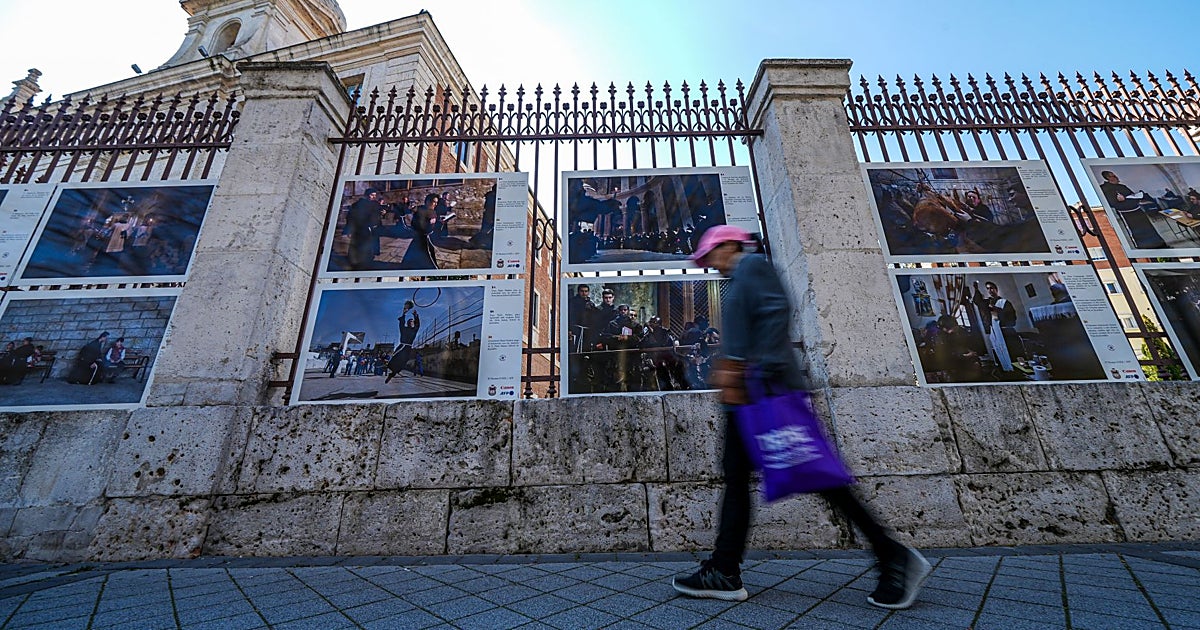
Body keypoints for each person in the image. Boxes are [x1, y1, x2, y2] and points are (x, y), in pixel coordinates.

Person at [671, 225, 929, 609]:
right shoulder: (740, 275)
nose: (709, 264)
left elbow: (776, 313)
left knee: (818, 475)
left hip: (763, 391)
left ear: (728, 245)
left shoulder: (752, 265)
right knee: (741, 475)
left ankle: (893, 556)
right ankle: (725, 569)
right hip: (748, 392)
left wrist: (748, 368)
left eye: (710, 255)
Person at [1099, 170, 1166, 249]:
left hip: (1136, 209)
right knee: (1136, 231)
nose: (1116, 177)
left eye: (1115, 175)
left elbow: (1132, 195)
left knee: (1148, 228)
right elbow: (1110, 202)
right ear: (1108, 178)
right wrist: (1118, 199)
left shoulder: (1122, 186)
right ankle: (1143, 247)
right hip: (1126, 213)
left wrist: (1138, 197)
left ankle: (1159, 244)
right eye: (1113, 176)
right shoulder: (1105, 188)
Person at [345, 187, 384, 270]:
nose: (373, 197)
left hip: (371, 229)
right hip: (360, 229)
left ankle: (366, 260)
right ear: (366, 195)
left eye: (375, 195)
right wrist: (349, 229)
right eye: (371, 195)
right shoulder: (358, 204)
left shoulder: (375, 204)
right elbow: (351, 217)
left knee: (369, 246)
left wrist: (382, 213)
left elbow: (377, 215)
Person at [399, 193, 440, 269]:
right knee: (427, 253)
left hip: (426, 236)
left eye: (437, 202)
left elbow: (434, 224)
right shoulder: (420, 210)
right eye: (434, 202)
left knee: (417, 252)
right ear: (428, 201)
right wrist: (430, 223)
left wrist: (439, 222)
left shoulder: (433, 211)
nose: (436, 204)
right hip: (421, 237)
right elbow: (419, 226)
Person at [386, 301, 421, 383]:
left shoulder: (415, 330)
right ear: (408, 323)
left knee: (403, 362)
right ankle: (389, 369)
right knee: (396, 359)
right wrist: (404, 314)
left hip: (408, 348)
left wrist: (415, 316)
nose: (412, 323)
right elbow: (401, 323)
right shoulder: (404, 329)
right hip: (402, 347)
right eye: (410, 322)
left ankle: (392, 374)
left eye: (413, 322)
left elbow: (418, 324)